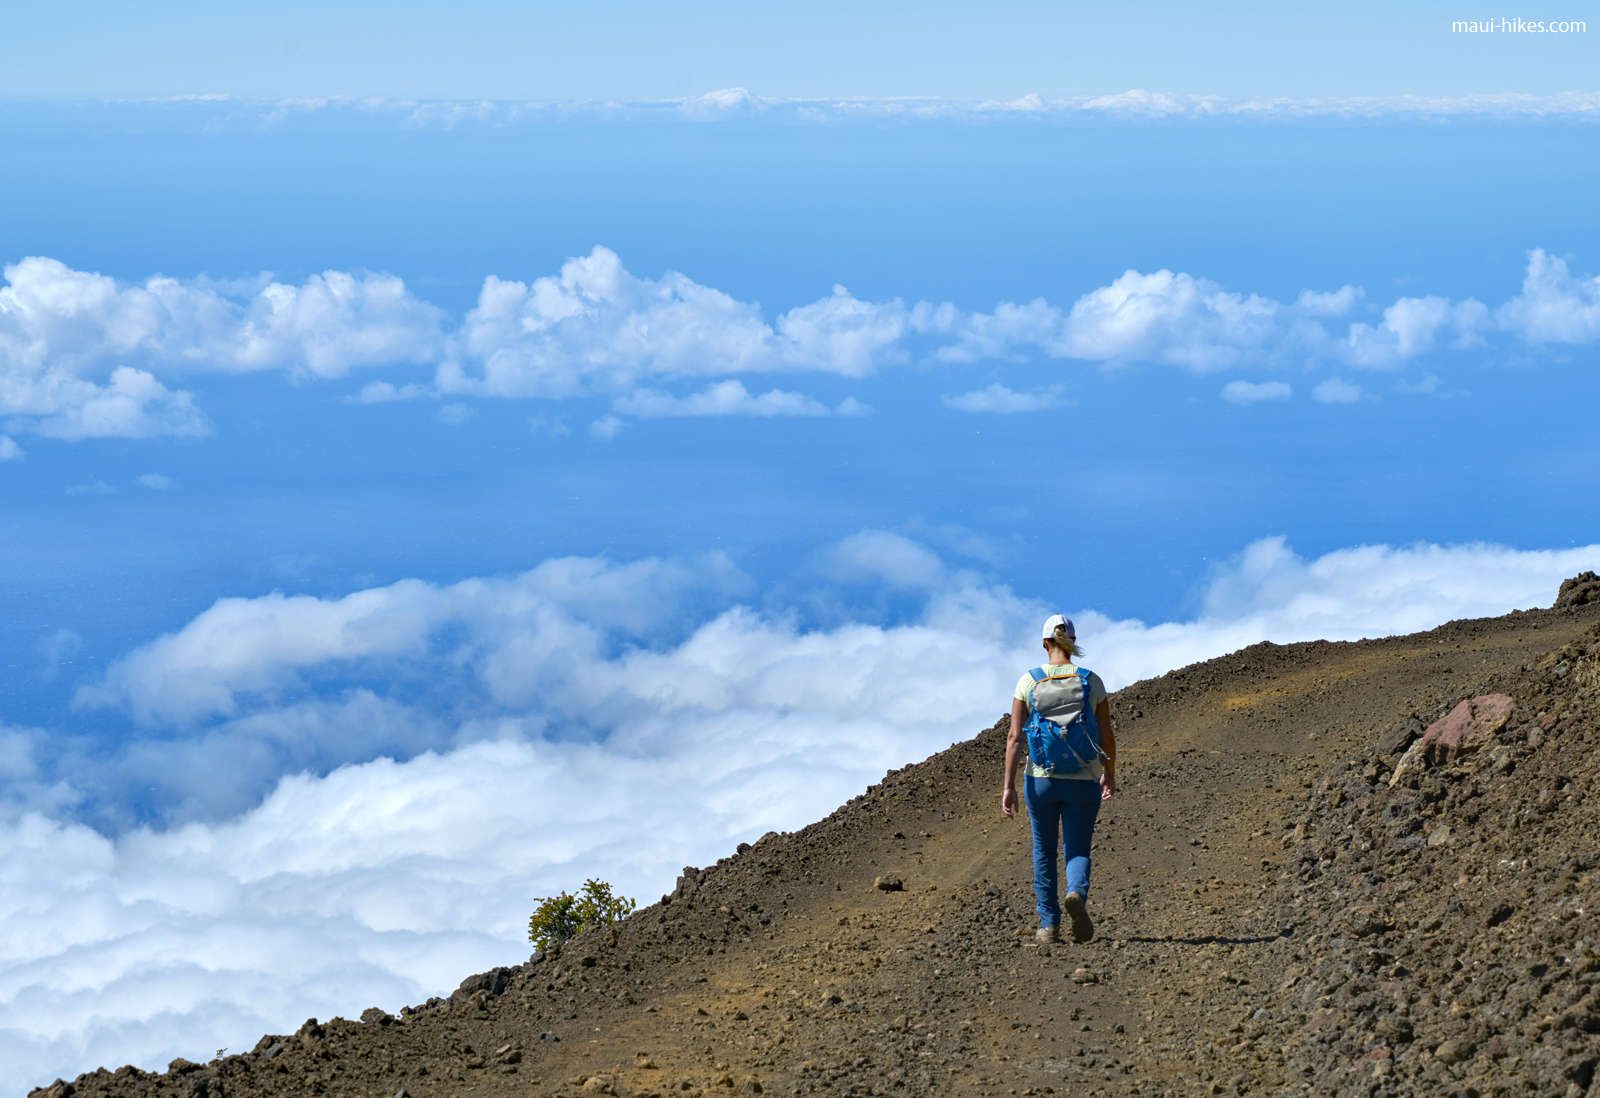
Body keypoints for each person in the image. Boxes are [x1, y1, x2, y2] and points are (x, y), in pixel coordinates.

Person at [1001, 614, 1116, 944]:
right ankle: (1076, 892)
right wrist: (1108, 774)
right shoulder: (1091, 681)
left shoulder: (1029, 681)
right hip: (1084, 779)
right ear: (1073, 642)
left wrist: (1009, 787)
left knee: (1044, 850)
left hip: (1041, 779)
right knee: (1077, 848)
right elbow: (1107, 736)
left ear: (1044, 643)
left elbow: (1014, 737)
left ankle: (1049, 926)